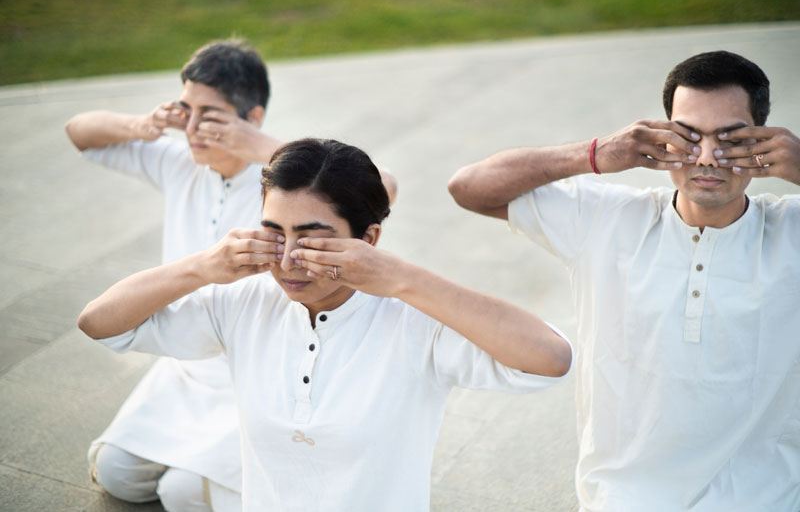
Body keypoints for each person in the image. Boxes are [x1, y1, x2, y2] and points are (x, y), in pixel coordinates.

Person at [77, 137, 573, 511]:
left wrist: (401, 277)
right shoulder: (245, 302)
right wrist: (201, 267)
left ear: (368, 238)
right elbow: (100, 323)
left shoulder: (416, 319)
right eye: (274, 233)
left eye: (312, 239)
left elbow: (549, 358)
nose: (289, 259)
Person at [447, 50, 800, 511]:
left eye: (731, 140)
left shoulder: (790, 230)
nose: (708, 159)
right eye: (689, 137)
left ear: (764, 140)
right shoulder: (607, 220)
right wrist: (596, 153)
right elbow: (468, 187)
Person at [65, 40, 397, 511]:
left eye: (211, 116)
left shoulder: (282, 188)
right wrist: (145, 125)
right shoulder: (179, 161)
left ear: (252, 116)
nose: (195, 128)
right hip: (183, 357)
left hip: (255, 359)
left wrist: (264, 148)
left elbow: (381, 184)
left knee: (181, 492)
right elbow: (78, 131)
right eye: (187, 112)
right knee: (117, 474)